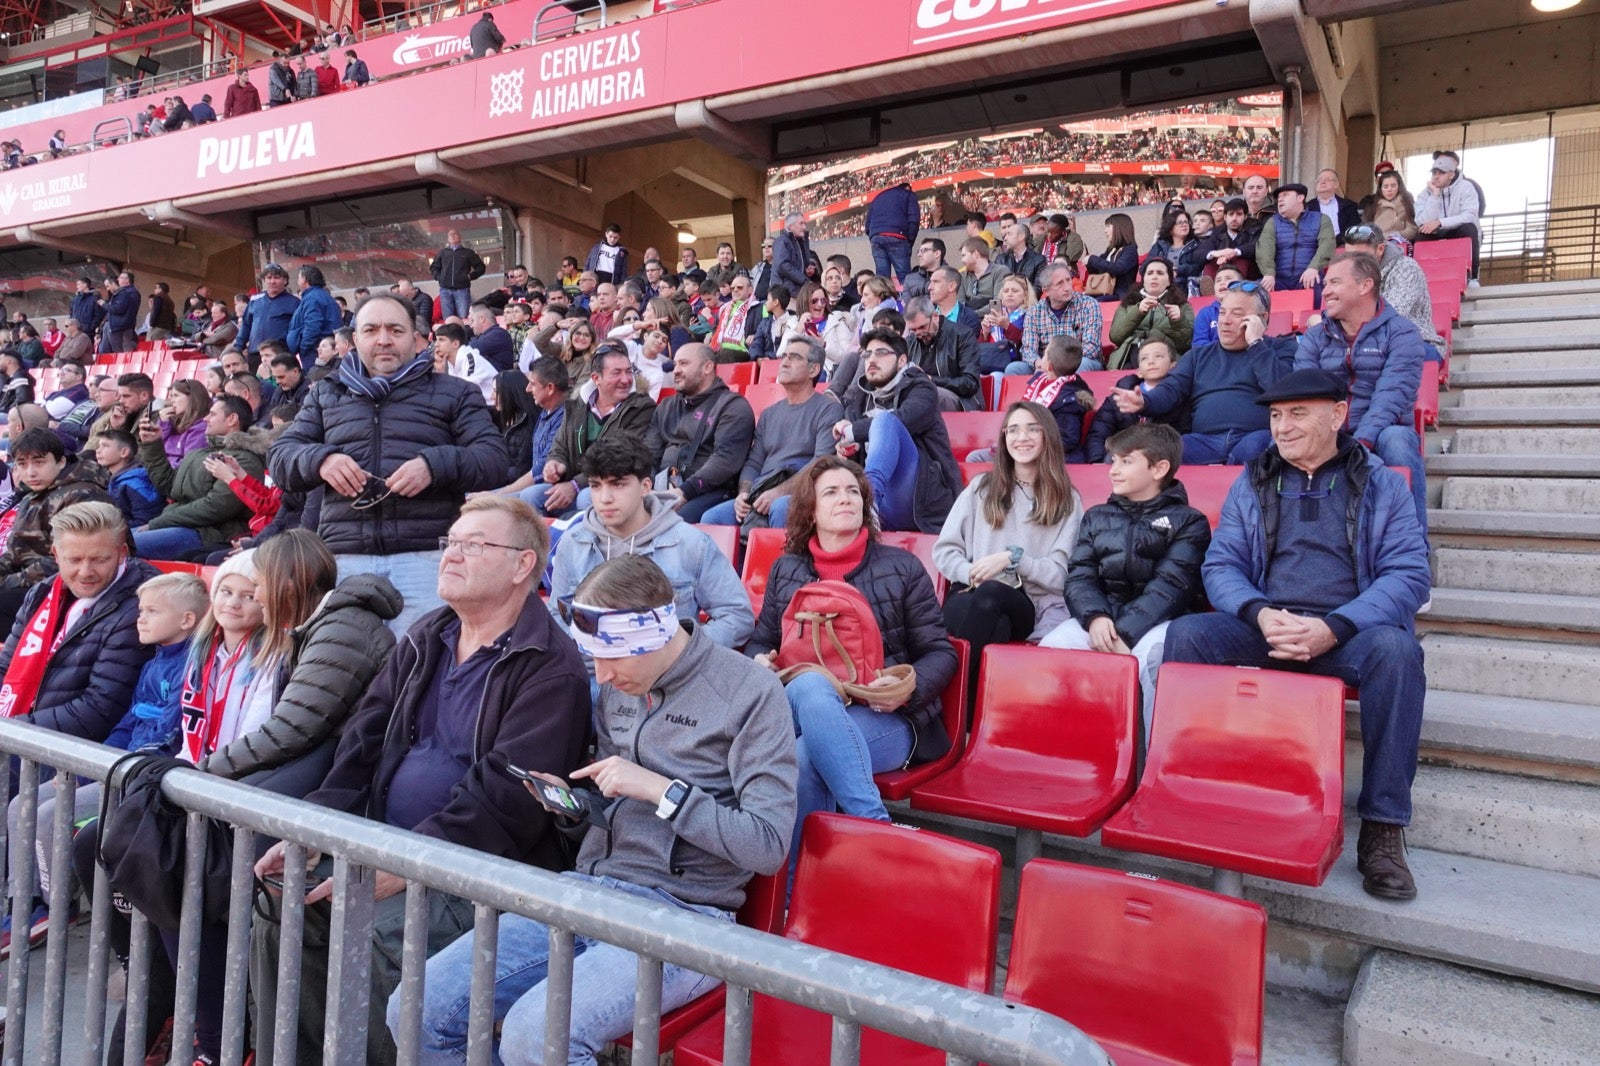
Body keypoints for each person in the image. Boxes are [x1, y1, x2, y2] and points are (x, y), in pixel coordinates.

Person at [407, 552, 794, 1064]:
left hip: (685, 916)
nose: (604, 677)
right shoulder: (622, 688)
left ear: (655, 635)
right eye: (595, 659)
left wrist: (662, 790)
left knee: (535, 1036)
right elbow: (613, 809)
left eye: (614, 657)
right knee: (416, 1007)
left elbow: (767, 845)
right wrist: (571, 809)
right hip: (588, 891)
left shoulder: (750, 692)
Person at [255, 497, 592, 1065]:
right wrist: (315, 829)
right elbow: (361, 742)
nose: (452, 554)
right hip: (390, 844)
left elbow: (509, 798)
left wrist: (406, 865)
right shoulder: (425, 635)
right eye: (450, 542)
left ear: (522, 566)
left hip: (481, 870)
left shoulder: (549, 665)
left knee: (374, 931)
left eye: (474, 544)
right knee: (282, 909)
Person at [1165, 368, 1430, 901]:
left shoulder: (1380, 483)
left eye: (1297, 414)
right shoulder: (1255, 478)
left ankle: (1382, 826)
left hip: (1346, 632)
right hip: (1269, 626)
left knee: (1398, 653)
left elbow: (1409, 574)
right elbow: (1221, 565)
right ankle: (1187, 793)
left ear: (1338, 414)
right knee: (1189, 637)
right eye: (1275, 416)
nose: (1282, 428)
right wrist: (1260, 614)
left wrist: (1333, 628)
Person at [748, 456, 954, 868]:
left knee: (806, 757)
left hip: (889, 717)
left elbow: (940, 652)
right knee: (808, 687)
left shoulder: (902, 567)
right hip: (804, 710)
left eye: (852, 492)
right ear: (809, 509)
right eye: (831, 492)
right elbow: (762, 639)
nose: (846, 499)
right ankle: (876, 835)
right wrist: (759, 658)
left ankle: (795, 896)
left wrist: (906, 692)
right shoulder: (786, 569)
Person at [268, 293, 509, 633]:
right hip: (343, 562)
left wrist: (433, 465)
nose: (383, 340)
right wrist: (322, 459)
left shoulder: (456, 393)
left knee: (421, 675)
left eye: (395, 330)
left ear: (417, 338)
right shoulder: (325, 394)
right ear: (354, 340)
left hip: (427, 560)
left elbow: (494, 459)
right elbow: (280, 457)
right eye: (371, 330)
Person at [1041, 423, 1210, 737]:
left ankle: (1151, 760)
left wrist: (1125, 632)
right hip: (1103, 616)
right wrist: (1095, 617)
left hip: (1160, 621)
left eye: (1126, 461)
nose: (1113, 470)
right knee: (1053, 647)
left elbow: (1171, 587)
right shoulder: (1097, 515)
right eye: (1113, 461)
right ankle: (1067, 748)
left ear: (1159, 468)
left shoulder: (1190, 521)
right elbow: (1079, 576)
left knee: (1151, 658)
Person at [935, 401, 1081, 698]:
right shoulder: (981, 488)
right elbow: (945, 551)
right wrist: (972, 572)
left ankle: (944, 702)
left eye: (1031, 429)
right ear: (1003, 439)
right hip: (970, 591)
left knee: (992, 596)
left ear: (1047, 436)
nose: (1021, 437)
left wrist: (1014, 560)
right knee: (994, 625)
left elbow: (1060, 576)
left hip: (1025, 603)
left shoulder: (1067, 500)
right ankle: (970, 716)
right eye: (1012, 430)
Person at [552, 435, 753, 650]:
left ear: (645, 486)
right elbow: (556, 615)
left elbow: (737, 616)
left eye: (617, 484)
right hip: (590, 674)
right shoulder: (573, 544)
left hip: (664, 678)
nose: (605, 498)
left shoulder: (691, 544)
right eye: (595, 486)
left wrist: (677, 650)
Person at [0, 501, 158, 738]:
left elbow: (98, 711)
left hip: (67, 759)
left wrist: (11, 731)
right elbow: (6, 667)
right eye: (74, 560)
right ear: (56, 554)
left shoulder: (142, 609)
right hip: (23, 735)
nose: (85, 572)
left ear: (122, 553)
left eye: (99, 560)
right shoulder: (42, 593)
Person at [1294, 251, 1428, 530]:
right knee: (1279, 444)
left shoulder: (1402, 334)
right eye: (1326, 283)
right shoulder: (1316, 337)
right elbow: (1304, 392)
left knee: (1398, 441)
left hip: (1379, 433)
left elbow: (1390, 399)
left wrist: (1359, 444)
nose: (1325, 291)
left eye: (1334, 283)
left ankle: (1414, 545)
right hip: (1329, 431)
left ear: (1365, 286)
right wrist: (1327, 438)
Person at [1111, 283, 1296, 464]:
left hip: (1253, 438)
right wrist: (1145, 401)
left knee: (1262, 447)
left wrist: (1256, 344)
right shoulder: (1198, 356)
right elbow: (1171, 389)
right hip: (1203, 441)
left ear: (1262, 318)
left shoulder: (1280, 348)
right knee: (1162, 453)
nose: (1225, 320)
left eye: (1237, 313)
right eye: (1222, 312)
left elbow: (1281, 390)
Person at [702, 336, 841, 530]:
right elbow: (754, 461)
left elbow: (822, 461)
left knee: (781, 507)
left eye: (794, 357)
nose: (784, 362)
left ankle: (779, 561)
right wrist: (744, 493)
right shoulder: (769, 414)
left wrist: (779, 492)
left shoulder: (828, 409)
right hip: (763, 490)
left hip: (799, 491)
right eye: (784, 356)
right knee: (712, 518)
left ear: (814, 369)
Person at [833, 328, 960, 534]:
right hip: (877, 502)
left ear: (901, 361)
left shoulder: (921, 388)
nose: (872, 359)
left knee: (885, 421)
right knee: (785, 507)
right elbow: (856, 458)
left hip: (920, 498)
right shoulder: (858, 402)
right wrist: (847, 452)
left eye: (881, 353)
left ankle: (868, 502)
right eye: (867, 354)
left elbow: (904, 419)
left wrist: (852, 431)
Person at [0, 428, 113, 630]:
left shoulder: (82, 495)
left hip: (68, 588)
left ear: (61, 462)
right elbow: (17, 552)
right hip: (30, 581)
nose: (30, 472)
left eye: (39, 462)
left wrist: (9, 581)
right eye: (22, 464)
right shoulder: (32, 495)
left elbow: (67, 561)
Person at [134, 394, 269, 561]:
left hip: (209, 533)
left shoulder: (243, 460)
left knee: (122, 546)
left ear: (232, 419)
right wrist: (152, 444)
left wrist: (158, 523)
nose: (205, 419)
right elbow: (168, 486)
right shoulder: (199, 453)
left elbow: (215, 508)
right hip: (177, 523)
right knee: (114, 540)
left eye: (212, 414)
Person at [641, 343, 756, 522]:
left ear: (707, 367)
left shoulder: (733, 407)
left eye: (684, 364)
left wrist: (685, 491)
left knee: (672, 521)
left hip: (708, 490)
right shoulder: (666, 406)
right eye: (675, 364)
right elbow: (648, 453)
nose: (676, 370)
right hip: (662, 486)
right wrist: (645, 484)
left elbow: (725, 461)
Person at [537, 345, 654, 518]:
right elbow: (559, 444)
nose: (626, 379)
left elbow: (619, 457)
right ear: (596, 378)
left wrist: (576, 485)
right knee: (531, 497)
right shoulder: (576, 405)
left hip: (613, 483)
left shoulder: (641, 407)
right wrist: (555, 462)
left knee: (587, 497)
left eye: (629, 372)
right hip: (573, 481)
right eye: (617, 373)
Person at [1341, 223, 1445, 359]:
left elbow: (1391, 314)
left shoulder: (1407, 268)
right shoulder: (1349, 273)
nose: (1354, 262)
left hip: (1416, 342)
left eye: (1361, 256)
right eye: (1350, 256)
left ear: (1380, 249)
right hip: (1368, 343)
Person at [1088, 338, 1187, 463]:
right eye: (1144, 358)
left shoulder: (1180, 396)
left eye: (1158, 356)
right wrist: (1096, 460)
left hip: (1159, 458)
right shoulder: (1122, 392)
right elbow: (1100, 429)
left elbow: (1182, 434)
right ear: (1139, 371)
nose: (1151, 361)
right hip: (1123, 454)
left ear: (1173, 366)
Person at [1107, 258, 1193, 371]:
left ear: (1169, 281)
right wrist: (1137, 312)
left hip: (1165, 358)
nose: (1154, 277)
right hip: (1129, 356)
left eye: (1160, 273)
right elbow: (1115, 337)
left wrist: (1179, 321)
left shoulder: (1182, 306)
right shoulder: (1128, 304)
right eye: (1150, 273)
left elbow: (1186, 344)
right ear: (1143, 280)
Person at [1019, 262, 1105, 373]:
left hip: (1078, 360)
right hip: (1045, 363)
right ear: (1046, 291)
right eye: (1060, 284)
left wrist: (1057, 364)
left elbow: (1091, 347)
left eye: (1068, 280)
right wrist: (1038, 363)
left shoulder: (1088, 304)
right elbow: (1028, 349)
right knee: (1015, 368)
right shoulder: (1034, 312)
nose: (1067, 287)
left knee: (1083, 364)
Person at [902, 295, 981, 412]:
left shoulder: (962, 335)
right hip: (920, 395)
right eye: (913, 330)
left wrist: (930, 380)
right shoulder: (911, 341)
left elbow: (970, 383)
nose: (919, 333)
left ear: (935, 317)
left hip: (961, 400)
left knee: (926, 394)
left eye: (922, 327)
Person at [1414, 151, 1482, 285]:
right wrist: (1434, 196)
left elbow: (1470, 215)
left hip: (1456, 230)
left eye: (1441, 173)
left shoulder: (1466, 187)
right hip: (1438, 233)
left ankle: (1472, 278)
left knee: (1469, 229)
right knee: (1422, 234)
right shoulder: (1425, 193)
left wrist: (1441, 222)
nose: (1436, 177)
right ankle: (1422, 281)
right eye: (1434, 173)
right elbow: (1421, 222)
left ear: (1451, 174)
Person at [1256, 183, 1335, 293]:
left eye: (1285, 195)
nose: (1280, 200)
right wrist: (1268, 273)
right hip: (1278, 279)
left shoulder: (1321, 219)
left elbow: (1327, 245)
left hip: (1308, 276)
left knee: (1317, 284)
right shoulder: (1273, 222)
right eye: (1279, 197)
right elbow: (1264, 250)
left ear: (1300, 198)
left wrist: (1313, 268)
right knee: (1254, 290)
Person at [231, 264, 299, 367]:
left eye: (276, 278)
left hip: (280, 356)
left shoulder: (294, 302)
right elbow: (246, 326)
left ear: (285, 280)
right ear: (264, 280)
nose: (272, 281)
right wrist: (237, 348)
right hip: (255, 354)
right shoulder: (254, 300)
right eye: (269, 277)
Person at [286, 264, 341, 369]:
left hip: (314, 351)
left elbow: (312, 325)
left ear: (304, 279)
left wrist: (304, 348)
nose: (297, 281)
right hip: (320, 348)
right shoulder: (322, 296)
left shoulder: (312, 298)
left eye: (298, 277)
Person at [865, 180, 920, 281]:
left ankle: (883, 296)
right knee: (905, 277)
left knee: (882, 278)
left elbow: (867, 224)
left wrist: (873, 236)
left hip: (876, 237)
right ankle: (907, 297)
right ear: (907, 188)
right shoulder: (908, 195)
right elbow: (914, 220)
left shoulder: (879, 196)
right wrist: (909, 241)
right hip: (897, 236)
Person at [431, 229, 487, 322]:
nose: (453, 236)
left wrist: (470, 276)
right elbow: (434, 267)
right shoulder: (442, 253)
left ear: (460, 237)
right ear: (447, 239)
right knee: (448, 319)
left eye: (455, 234)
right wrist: (440, 278)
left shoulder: (468, 253)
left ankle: (464, 335)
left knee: (463, 318)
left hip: (462, 290)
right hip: (445, 290)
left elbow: (481, 267)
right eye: (450, 235)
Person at [1082, 213, 1140, 301]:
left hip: (1120, 295)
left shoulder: (1130, 250)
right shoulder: (1111, 250)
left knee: (1093, 302)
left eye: (1108, 227)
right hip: (1104, 290)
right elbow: (1099, 272)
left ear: (1119, 228)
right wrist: (1089, 263)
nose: (1105, 231)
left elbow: (1118, 268)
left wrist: (1093, 260)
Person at [158, 379, 211, 466]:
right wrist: (163, 423)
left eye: (176, 395)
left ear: (192, 398)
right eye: (171, 396)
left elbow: (188, 463)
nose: (172, 400)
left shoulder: (201, 427)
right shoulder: (170, 421)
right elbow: (155, 449)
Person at [1191, 264, 1243, 348]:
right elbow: (1198, 345)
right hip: (1212, 358)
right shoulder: (1205, 313)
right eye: (1218, 281)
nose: (1222, 282)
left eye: (1228, 278)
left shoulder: (1248, 311)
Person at [1366, 169, 1418, 244]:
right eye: (1385, 187)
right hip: (1376, 244)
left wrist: (1398, 235)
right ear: (1380, 189)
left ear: (1399, 186)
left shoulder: (1407, 203)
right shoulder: (1373, 206)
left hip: (1399, 243)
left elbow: (1412, 228)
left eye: (1393, 186)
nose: (1389, 189)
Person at [1312, 169, 1362, 242]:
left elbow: (1353, 229)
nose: (1322, 182)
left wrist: (1336, 241)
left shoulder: (1349, 206)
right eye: (1319, 180)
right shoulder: (1307, 207)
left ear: (1336, 184)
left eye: (1328, 179)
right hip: (1314, 247)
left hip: (1342, 245)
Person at [772, 212, 812, 293]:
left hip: (797, 290)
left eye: (805, 223)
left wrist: (807, 269)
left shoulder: (800, 242)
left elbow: (798, 265)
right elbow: (783, 265)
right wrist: (804, 280)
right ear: (790, 226)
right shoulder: (782, 241)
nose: (804, 227)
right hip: (785, 292)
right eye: (801, 223)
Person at [102, 271, 141, 354]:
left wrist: (104, 305)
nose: (118, 280)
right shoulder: (122, 292)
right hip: (118, 324)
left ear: (127, 280)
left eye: (120, 278)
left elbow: (122, 309)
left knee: (122, 350)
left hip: (122, 325)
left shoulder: (130, 293)